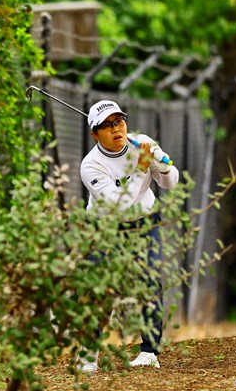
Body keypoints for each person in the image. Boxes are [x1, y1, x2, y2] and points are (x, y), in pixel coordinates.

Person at [77, 99, 179, 372]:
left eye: (118, 121)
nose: (115, 129)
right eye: (106, 125)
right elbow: (119, 204)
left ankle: (149, 352)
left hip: (144, 225)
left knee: (149, 281)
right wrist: (142, 167)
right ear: (94, 134)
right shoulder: (91, 166)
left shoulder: (140, 143)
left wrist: (162, 165)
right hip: (106, 228)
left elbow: (170, 183)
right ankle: (87, 354)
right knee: (99, 289)